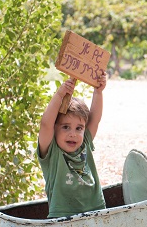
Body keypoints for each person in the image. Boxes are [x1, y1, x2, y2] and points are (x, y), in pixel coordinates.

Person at [37, 74, 107, 218]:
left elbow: (94, 120)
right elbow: (45, 123)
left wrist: (98, 91)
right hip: (63, 216)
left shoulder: (85, 143)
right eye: (66, 127)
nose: (73, 134)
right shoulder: (52, 151)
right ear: (54, 128)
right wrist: (60, 94)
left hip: (95, 210)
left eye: (79, 128)